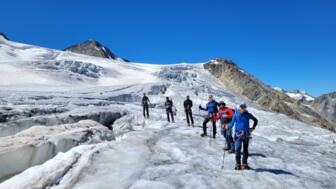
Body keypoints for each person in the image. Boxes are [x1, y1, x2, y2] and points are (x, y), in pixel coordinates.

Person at [229, 103, 258, 170]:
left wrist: (253, 128)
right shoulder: (236, 115)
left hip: (246, 134)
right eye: (241, 107)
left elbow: (256, 120)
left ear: (245, 108)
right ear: (239, 107)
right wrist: (228, 127)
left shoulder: (248, 115)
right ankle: (238, 164)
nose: (243, 108)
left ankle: (244, 164)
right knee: (238, 149)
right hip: (238, 134)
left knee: (245, 149)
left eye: (244, 107)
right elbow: (232, 123)